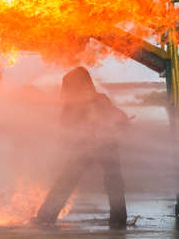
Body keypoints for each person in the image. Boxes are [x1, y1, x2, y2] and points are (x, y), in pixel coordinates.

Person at [35, 67, 128, 227]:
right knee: (70, 179)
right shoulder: (79, 104)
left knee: (110, 180)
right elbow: (66, 126)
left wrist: (118, 123)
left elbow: (119, 117)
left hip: (104, 145)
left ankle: (46, 216)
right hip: (86, 147)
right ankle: (45, 216)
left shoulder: (99, 100)